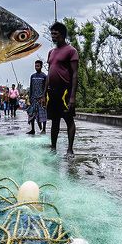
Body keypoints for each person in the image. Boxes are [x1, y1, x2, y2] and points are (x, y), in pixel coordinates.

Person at [44, 22, 79, 154]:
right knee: (54, 121)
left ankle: (70, 149)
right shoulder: (51, 52)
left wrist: (72, 97)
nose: (53, 36)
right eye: (52, 33)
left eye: (55, 33)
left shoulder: (71, 51)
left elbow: (75, 74)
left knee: (69, 120)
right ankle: (53, 147)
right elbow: (49, 73)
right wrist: (44, 93)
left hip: (65, 91)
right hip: (52, 92)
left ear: (62, 35)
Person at [26, 59, 47, 134]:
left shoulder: (44, 76)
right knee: (32, 114)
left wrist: (44, 97)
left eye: (38, 66)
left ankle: (43, 129)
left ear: (41, 67)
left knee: (43, 115)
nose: (36, 67)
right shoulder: (32, 76)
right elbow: (31, 87)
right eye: (35, 66)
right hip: (33, 98)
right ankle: (33, 130)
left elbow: (45, 88)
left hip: (41, 99)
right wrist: (30, 97)